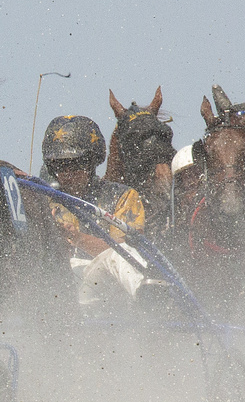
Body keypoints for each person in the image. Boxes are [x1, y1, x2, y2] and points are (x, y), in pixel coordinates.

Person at [38, 115, 157, 313]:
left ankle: (148, 297)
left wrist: (77, 238)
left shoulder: (124, 196)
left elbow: (128, 254)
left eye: (76, 164)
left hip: (103, 283)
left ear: (92, 162)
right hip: (56, 288)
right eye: (60, 166)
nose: (68, 173)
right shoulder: (42, 200)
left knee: (118, 254)